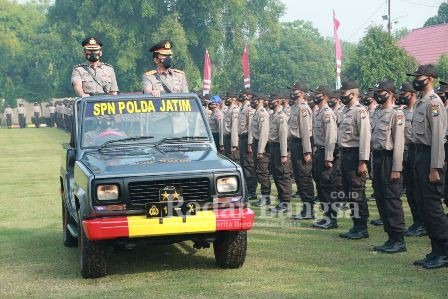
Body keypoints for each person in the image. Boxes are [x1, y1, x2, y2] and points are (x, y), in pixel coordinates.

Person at [407, 64, 448, 269]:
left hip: (430, 158)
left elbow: (439, 138)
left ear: (430, 79)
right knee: (424, 205)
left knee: (433, 207)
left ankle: (444, 252)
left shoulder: (434, 103)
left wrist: (435, 167)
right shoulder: (421, 102)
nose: (416, 79)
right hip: (418, 155)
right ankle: (435, 251)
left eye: (419, 76)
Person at [370, 81, 406, 253]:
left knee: (391, 200)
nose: (378, 94)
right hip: (377, 159)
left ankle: (398, 239)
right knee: (381, 198)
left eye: (381, 91)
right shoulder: (377, 113)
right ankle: (390, 237)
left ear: (390, 93)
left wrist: (396, 168)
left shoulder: (396, 114)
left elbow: (398, 142)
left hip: (389, 159)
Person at [337, 80, 371, 240]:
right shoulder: (345, 110)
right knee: (349, 192)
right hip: (345, 154)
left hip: (355, 154)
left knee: (357, 192)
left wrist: (363, 161)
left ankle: (362, 227)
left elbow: (365, 137)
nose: (342, 97)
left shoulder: (360, 111)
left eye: (344, 94)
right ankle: (355, 225)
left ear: (353, 93)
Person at [398, 82, 425, 237]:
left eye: (404, 94)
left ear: (412, 94)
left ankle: (422, 223)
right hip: (406, 153)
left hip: (416, 152)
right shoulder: (401, 113)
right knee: (410, 191)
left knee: (419, 191)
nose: (401, 97)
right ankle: (416, 221)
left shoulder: (418, 111)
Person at [309, 86, 339, 229]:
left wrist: (329, 157)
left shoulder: (327, 113)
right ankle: (326, 216)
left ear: (325, 96)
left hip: (326, 153)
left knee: (327, 186)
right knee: (320, 186)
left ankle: (332, 219)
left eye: (318, 94)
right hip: (318, 152)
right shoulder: (317, 112)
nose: (315, 96)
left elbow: (331, 137)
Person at [288, 82, 315, 220]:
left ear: (302, 93)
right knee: (298, 178)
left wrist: (307, 151)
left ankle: (309, 209)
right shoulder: (295, 107)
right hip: (295, 144)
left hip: (302, 144)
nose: (292, 92)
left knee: (304, 177)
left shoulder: (303, 109)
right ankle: (305, 208)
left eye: (295, 91)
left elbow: (305, 132)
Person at [267, 93, 292, 213]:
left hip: (280, 148)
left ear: (277, 102)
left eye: (272, 100)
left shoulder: (281, 117)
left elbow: (283, 136)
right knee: (276, 176)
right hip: (273, 147)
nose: (269, 102)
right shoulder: (273, 116)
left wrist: (284, 154)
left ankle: (286, 203)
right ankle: (281, 201)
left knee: (282, 176)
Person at [249, 93, 271, 206]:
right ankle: (264, 196)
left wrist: (261, 150)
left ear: (259, 101)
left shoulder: (262, 114)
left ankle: (266, 197)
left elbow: (264, 133)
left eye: (254, 100)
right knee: (258, 171)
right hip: (256, 143)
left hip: (261, 145)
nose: (252, 102)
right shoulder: (256, 113)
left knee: (263, 172)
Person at [236, 88, 257, 200]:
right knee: (244, 164)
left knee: (249, 165)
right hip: (242, 138)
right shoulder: (241, 109)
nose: (241, 96)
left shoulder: (249, 109)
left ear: (249, 96)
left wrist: (250, 143)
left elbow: (250, 127)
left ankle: (252, 190)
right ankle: (247, 188)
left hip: (247, 138)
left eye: (244, 94)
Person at [222, 92, 240, 159]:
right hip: (227, 137)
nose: (226, 100)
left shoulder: (234, 110)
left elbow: (234, 128)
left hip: (231, 138)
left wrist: (234, 144)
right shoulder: (228, 109)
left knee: (232, 158)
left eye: (228, 99)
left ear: (233, 99)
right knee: (227, 158)